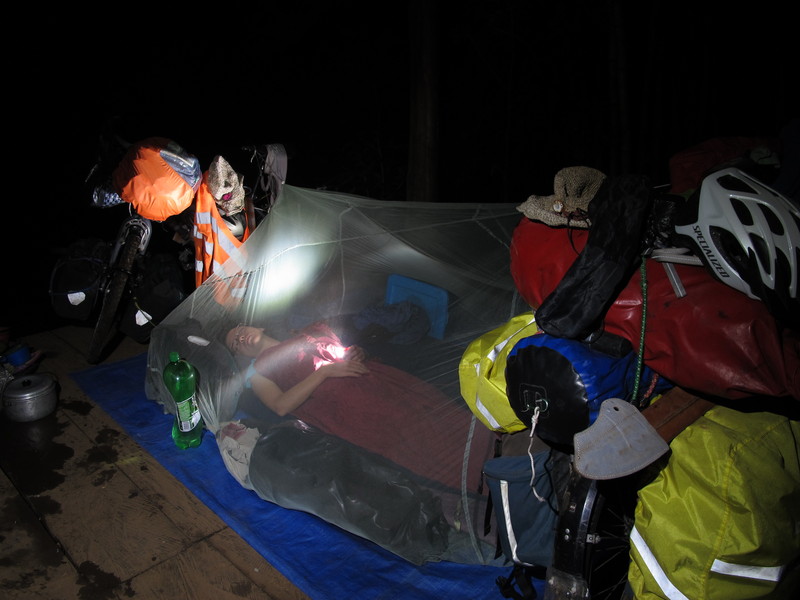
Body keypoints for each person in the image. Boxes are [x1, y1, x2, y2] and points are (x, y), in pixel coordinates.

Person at [225, 321, 494, 492]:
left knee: (441, 419)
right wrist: (324, 373)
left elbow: (342, 355)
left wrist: (355, 354)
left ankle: (501, 449)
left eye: (238, 331)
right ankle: (488, 481)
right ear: (240, 355)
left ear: (257, 326)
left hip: (382, 383)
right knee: (422, 443)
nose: (240, 338)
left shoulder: (305, 332)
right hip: (355, 411)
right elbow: (281, 406)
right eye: (235, 344)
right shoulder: (259, 372)